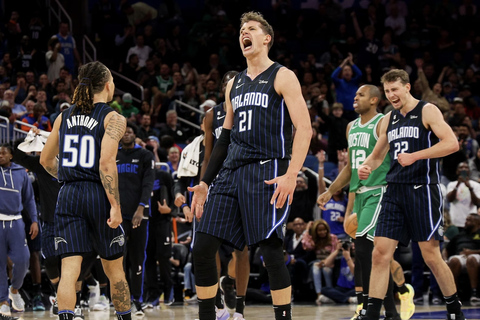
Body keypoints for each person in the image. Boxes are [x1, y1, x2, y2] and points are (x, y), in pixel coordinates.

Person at [187, 11, 311, 320]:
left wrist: (291, 175)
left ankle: (283, 316)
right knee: (202, 246)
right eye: (242, 29)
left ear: (266, 38)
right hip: (231, 172)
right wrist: (204, 181)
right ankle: (208, 315)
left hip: (268, 169)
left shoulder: (283, 76)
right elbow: (224, 140)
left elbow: (304, 129)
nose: (245, 32)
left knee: (270, 249)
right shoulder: (234, 85)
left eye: (252, 28)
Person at [357, 69, 464, 320]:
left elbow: (451, 143)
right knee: (380, 252)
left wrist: (416, 156)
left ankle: (454, 311)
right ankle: (372, 312)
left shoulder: (427, 110)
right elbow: (378, 154)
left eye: (395, 89)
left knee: (431, 255)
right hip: (394, 191)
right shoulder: (389, 119)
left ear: (407, 87)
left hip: (422, 190)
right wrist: (367, 166)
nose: (391, 95)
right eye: (387, 91)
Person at [40, 61, 132, 320]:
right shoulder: (113, 118)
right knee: (115, 269)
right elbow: (106, 163)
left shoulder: (63, 116)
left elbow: (45, 161)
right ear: (107, 85)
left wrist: (69, 177)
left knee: (69, 269)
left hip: (67, 194)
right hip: (97, 193)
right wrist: (115, 205)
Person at [318, 84, 412, 320]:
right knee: (375, 255)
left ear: (373, 100)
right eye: (355, 94)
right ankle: (390, 312)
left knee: (364, 249)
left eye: (360, 95)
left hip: (380, 191)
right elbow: (350, 167)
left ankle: (371, 308)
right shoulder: (351, 127)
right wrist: (330, 191)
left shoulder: (382, 123)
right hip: (360, 194)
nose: (355, 98)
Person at [202, 70, 250, 318]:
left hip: (244, 182)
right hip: (219, 184)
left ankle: (239, 308)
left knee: (242, 250)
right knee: (210, 245)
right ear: (223, 88)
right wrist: (202, 185)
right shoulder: (212, 115)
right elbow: (208, 157)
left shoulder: (250, 109)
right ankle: (218, 303)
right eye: (229, 84)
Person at [117, 122, 155, 316]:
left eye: (130, 131)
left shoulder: (144, 156)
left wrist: (140, 208)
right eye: (123, 132)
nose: (126, 134)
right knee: (119, 259)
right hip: (118, 216)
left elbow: (148, 184)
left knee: (138, 258)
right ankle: (121, 300)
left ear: (134, 134)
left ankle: (137, 299)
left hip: (139, 215)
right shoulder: (112, 156)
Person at [0, 143, 38, 319]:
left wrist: (35, 220)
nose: (0, 155)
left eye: (3, 153)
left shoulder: (20, 172)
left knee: (23, 260)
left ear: (11, 156)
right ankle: (3, 302)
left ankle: (14, 289)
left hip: (16, 221)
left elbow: (29, 199)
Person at [443, 213, 480, 305]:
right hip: (461, 256)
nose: (466, 222)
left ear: (477, 222)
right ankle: (454, 294)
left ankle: (474, 293)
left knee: (471, 259)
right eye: (466, 220)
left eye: (469, 220)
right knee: (454, 261)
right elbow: (446, 249)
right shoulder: (460, 235)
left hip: (476, 255)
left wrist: (471, 252)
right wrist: (445, 260)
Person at [446, 162, 480, 229]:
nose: (463, 169)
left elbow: (477, 202)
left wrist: (470, 188)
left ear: (469, 171)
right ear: (457, 171)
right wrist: (458, 184)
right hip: (454, 220)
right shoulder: (451, 184)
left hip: (470, 222)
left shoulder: (476, 185)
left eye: (466, 167)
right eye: (461, 167)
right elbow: (449, 199)